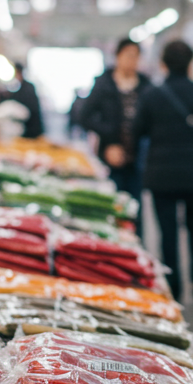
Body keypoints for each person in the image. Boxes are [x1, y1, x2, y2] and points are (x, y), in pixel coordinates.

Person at [134, 40, 193, 302]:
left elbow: (138, 130)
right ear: (191, 63)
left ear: (163, 64)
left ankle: (174, 284)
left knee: (168, 230)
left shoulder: (151, 95)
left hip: (162, 173)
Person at [83, 38, 152, 240]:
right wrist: (109, 139)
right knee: (113, 206)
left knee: (136, 208)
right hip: (110, 156)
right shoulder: (104, 83)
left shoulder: (146, 86)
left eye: (136, 56)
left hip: (138, 157)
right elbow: (84, 116)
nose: (132, 60)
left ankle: (137, 247)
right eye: (128, 55)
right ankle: (115, 245)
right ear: (118, 56)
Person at [0, 62, 45, 139]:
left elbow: (24, 105)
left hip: (32, 129)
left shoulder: (27, 88)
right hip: (29, 128)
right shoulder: (20, 87)